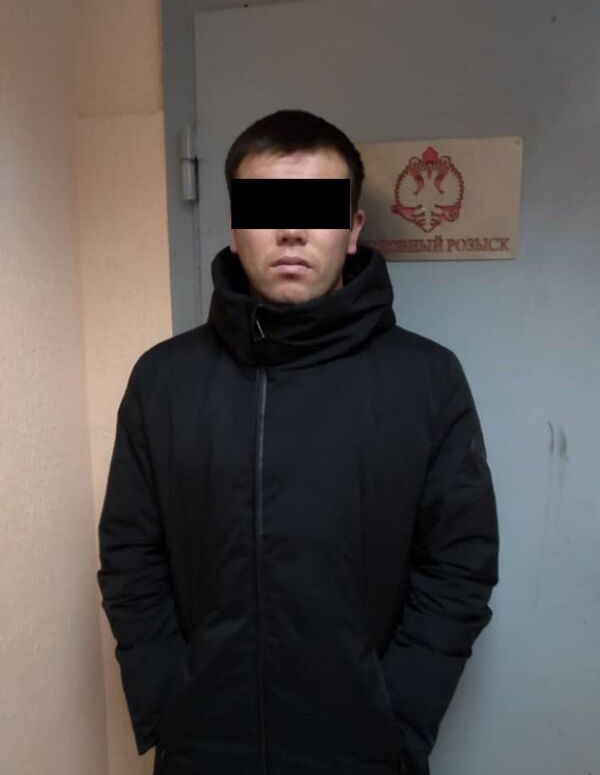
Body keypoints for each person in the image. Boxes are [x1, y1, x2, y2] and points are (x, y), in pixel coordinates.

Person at [96, 109, 499, 775]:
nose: (290, 230)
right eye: (266, 209)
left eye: (315, 209)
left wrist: (397, 717)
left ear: (353, 229)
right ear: (235, 226)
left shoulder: (426, 379)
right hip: (202, 751)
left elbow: (460, 564)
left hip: (366, 753)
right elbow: (130, 554)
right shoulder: (164, 380)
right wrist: (170, 700)